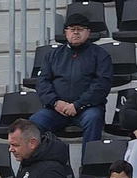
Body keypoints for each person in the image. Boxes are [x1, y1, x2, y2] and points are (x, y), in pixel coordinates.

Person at [30, 12, 114, 152]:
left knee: (93, 119)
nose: (76, 32)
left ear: (88, 32)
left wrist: (78, 105)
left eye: (80, 29)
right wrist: (55, 102)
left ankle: (89, 162)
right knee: (34, 123)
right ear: (66, 32)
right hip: (56, 109)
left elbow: (102, 85)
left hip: (87, 109)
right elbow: (42, 82)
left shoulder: (100, 55)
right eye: (72, 29)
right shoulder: (52, 56)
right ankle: (44, 162)